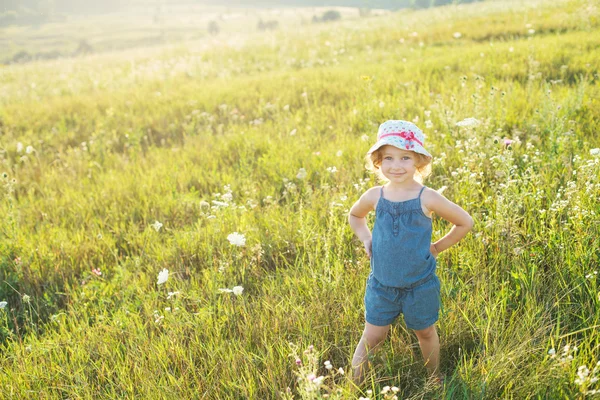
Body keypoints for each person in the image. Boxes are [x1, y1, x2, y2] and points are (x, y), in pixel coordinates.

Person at [348, 120, 474, 386]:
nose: (396, 165)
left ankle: (433, 377)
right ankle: (354, 383)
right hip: (382, 285)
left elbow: (465, 222)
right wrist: (366, 238)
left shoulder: (427, 197)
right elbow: (355, 215)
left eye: (405, 157)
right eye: (388, 158)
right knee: (373, 336)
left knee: (425, 332)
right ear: (378, 162)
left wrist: (437, 247)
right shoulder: (375, 195)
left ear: (418, 161)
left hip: (420, 285)